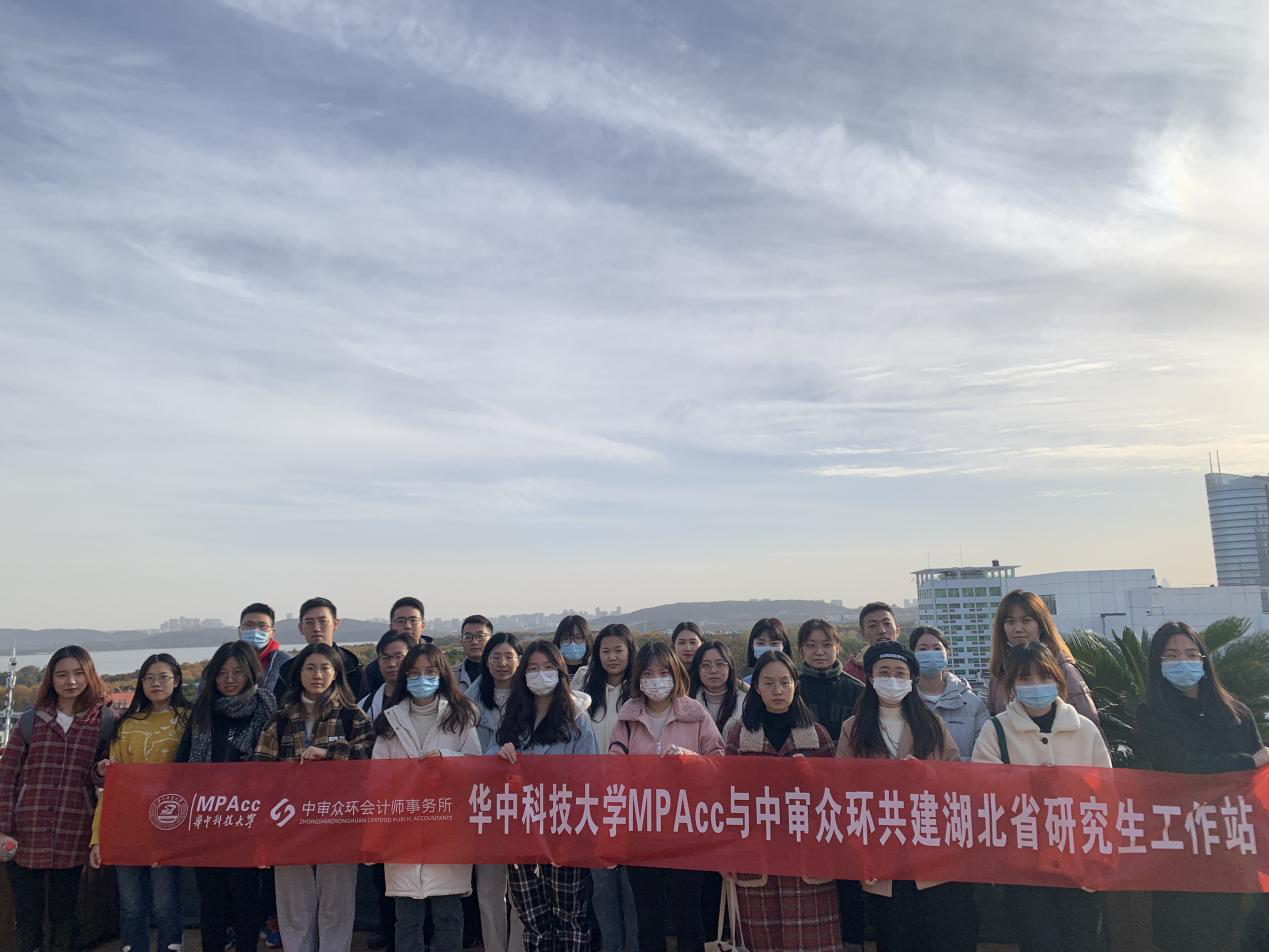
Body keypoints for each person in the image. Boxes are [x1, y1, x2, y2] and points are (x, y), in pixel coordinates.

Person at [1137, 621, 1269, 952]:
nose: (1182, 661)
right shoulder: (1151, 714)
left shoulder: (1237, 713)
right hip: (1184, 850)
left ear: (1204, 659)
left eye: (1190, 653)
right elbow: (1182, 766)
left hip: (1237, 847)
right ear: (1157, 664)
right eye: (1171, 656)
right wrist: (1247, 761)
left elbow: (1258, 780)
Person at [972, 642, 1110, 952]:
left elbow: (1106, 795)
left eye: (1044, 676)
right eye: (1024, 678)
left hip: (1079, 861)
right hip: (1024, 864)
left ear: (1058, 680)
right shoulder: (996, 730)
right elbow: (982, 790)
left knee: (1083, 941)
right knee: (1037, 941)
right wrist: (1031, 783)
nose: (1035, 684)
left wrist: (1100, 858)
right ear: (1011, 684)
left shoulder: (1084, 729)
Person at [837, 642, 973, 952]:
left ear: (911, 679)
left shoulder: (931, 724)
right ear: (870, 677)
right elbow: (844, 796)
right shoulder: (853, 729)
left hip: (933, 849)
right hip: (882, 850)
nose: (892, 679)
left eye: (900, 673)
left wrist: (929, 775)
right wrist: (860, 857)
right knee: (894, 936)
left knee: (939, 937)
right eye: (884, 672)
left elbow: (958, 781)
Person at [252, 643, 374, 952]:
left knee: (336, 904)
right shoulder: (279, 719)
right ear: (298, 674)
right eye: (309, 668)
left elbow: (369, 756)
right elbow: (261, 776)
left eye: (324, 668)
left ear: (335, 673)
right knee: (294, 906)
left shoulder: (352, 716)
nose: (317, 675)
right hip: (288, 823)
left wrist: (329, 753)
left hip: (339, 822)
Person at [609, 641, 722, 952]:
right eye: (647, 674)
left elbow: (719, 763)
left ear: (675, 674)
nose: (655, 680)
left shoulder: (695, 714)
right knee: (649, 920)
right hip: (641, 832)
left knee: (689, 917)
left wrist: (690, 760)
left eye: (663, 672)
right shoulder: (627, 718)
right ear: (638, 678)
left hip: (687, 831)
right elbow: (614, 765)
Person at [723, 651, 839, 952]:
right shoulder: (738, 736)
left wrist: (810, 776)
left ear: (795, 685)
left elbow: (837, 798)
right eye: (769, 683)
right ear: (756, 687)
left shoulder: (818, 736)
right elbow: (727, 798)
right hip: (756, 857)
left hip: (807, 858)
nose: (778, 690)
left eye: (784, 682)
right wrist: (727, 853)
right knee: (762, 942)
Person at [0, 646, 112, 952]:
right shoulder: (31, 720)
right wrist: (3, 827)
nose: (71, 681)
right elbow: (6, 776)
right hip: (26, 832)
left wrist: (100, 771)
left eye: (78, 673)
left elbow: (102, 777)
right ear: (51, 679)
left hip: (73, 830)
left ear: (89, 676)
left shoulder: (103, 721)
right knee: (27, 915)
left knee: (66, 914)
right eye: (62, 674)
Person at [373, 643, 482, 952]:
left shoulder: (460, 716)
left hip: (447, 827)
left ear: (442, 675)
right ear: (405, 677)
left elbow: (476, 767)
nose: (422, 679)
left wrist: (446, 758)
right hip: (402, 829)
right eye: (415, 673)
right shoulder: (390, 720)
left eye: (430, 672)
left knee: (448, 914)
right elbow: (378, 781)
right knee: (407, 918)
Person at [491, 640, 597, 952]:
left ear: (561, 673)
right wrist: (499, 754)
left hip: (564, 830)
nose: (541, 675)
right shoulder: (512, 717)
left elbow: (588, 779)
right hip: (521, 831)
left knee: (570, 916)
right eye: (533, 668)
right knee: (532, 916)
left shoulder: (577, 720)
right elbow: (489, 762)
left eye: (548, 668)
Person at [176, 641, 278, 952]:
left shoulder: (267, 709)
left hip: (251, 823)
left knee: (246, 899)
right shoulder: (203, 711)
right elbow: (182, 766)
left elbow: (278, 769)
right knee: (212, 901)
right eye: (221, 673)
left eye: (237, 672)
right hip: (207, 822)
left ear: (251, 672)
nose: (229, 679)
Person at [89, 654, 191, 952]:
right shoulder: (128, 724)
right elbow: (112, 786)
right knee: (131, 904)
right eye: (149, 678)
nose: (156, 683)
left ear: (177, 680)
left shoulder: (189, 719)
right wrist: (98, 837)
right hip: (128, 825)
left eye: (163, 677)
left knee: (165, 902)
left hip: (170, 823)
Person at [573, 624, 637, 952]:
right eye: (605, 651)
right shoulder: (585, 690)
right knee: (602, 886)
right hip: (594, 799)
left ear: (630, 652)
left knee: (632, 885)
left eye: (618, 650)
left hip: (634, 800)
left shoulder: (640, 691)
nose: (612, 657)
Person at [465, 634, 525, 952]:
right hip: (484, 804)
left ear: (519, 660)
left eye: (509, 656)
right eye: (495, 657)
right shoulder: (468, 703)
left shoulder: (533, 699)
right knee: (488, 889)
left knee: (521, 890)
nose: (502, 663)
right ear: (486, 662)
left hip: (522, 804)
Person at [985, 590, 1098, 725]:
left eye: (1026, 621)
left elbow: (1089, 724)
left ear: (1041, 625)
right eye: (1010, 621)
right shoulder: (999, 675)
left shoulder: (1063, 669)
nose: (1018, 628)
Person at [909, 626, 988, 760]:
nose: (931, 654)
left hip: (963, 773)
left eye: (937, 648)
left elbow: (984, 753)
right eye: (923, 649)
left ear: (947, 654)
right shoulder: (906, 701)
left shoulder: (972, 703)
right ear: (912, 655)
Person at [274, 597, 363, 700]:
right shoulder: (288, 671)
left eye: (322, 621)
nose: (316, 628)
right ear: (300, 628)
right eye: (309, 622)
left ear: (335, 624)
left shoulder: (351, 666)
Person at [796, 618, 863, 744]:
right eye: (811, 645)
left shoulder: (857, 690)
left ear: (837, 648)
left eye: (827, 645)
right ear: (801, 650)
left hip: (846, 754)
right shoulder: (792, 689)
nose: (819, 652)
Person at [360, 597, 430, 696]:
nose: (408, 626)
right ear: (391, 627)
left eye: (413, 620)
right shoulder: (375, 669)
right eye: (401, 621)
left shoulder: (435, 660)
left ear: (422, 625)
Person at [688, 640, 746, 733]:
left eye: (720, 664)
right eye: (706, 665)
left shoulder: (746, 702)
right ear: (697, 670)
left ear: (730, 667)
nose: (713, 670)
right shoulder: (687, 702)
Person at [238, 603, 292, 696]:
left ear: (272, 632)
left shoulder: (286, 662)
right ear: (239, 630)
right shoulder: (227, 659)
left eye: (262, 626)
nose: (255, 630)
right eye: (249, 625)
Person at [360, 631, 412, 721]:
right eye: (385, 658)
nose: (391, 664)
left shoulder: (426, 701)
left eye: (399, 657)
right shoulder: (364, 706)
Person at [847, 602, 900, 681]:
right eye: (873, 625)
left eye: (887, 623)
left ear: (897, 630)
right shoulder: (852, 673)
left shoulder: (911, 664)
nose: (882, 630)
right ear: (863, 634)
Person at [741, 618, 790, 685]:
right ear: (752, 646)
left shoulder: (793, 682)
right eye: (760, 643)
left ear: (784, 647)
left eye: (774, 644)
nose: (767, 649)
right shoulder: (744, 685)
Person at [456, 615, 492, 693]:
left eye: (480, 636)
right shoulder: (448, 676)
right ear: (461, 642)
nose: (474, 642)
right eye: (468, 637)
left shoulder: (502, 672)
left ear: (491, 640)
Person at [553, 615, 592, 679]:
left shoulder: (595, 669)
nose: (572, 643)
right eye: (566, 638)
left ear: (587, 639)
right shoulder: (551, 669)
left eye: (578, 638)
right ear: (558, 640)